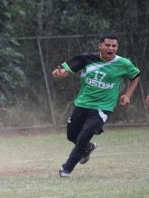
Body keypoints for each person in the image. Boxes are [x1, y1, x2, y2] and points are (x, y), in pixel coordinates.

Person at [52, 33, 140, 178]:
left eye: (114, 46)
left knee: (84, 136)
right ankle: (88, 147)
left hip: (103, 107)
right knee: (72, 135)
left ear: (117, 47)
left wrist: (127, 95)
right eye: (107, 45)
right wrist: (60, 73)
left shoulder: (123, 63)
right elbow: (66, 69)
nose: (110, 48)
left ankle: (66, 169)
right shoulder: (86, 58)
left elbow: (135, 77)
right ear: (100, 46)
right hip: (82, 103)